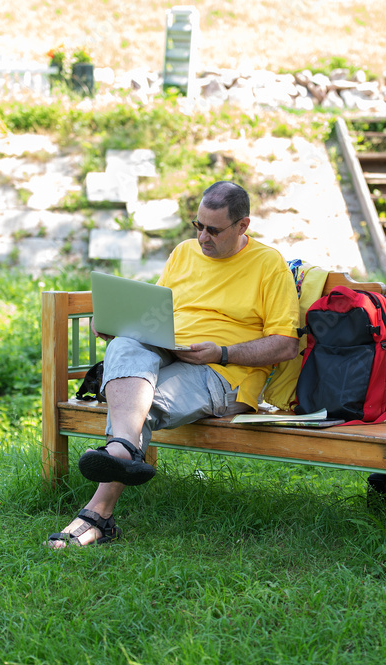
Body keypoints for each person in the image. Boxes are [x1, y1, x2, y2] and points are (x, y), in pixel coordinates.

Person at [45, 181, 300, 548]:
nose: (203, 237)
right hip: (168, 348)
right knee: (125, 343)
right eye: (198, 226)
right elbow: (154, 313)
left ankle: (97, 513)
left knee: (137, 405)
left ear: (243, 225)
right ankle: (124, 450)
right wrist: (118, 322)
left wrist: (221, 352)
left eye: (214, 230)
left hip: (223, 373)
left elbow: (286, 344)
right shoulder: (183, 253)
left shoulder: (268, 265)